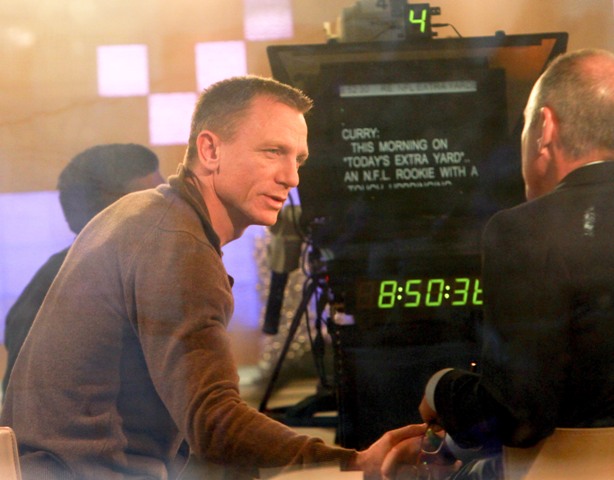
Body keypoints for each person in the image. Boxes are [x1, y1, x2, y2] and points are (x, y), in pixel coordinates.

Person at [0, 76, 423, 480]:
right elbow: (213, 423)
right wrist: (354, 464)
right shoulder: (177, 243)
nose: (291, 177)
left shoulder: (150, 214)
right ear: (210, 150)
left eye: (298, 160)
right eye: (273, 151)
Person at [381, 48, 614, 479]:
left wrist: (440, 388)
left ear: (545, 128)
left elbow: (518, 419)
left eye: (524, 125)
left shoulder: (524, 230)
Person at [2, 143, 164, 395]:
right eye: (156, 202)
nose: (172, 211)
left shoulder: (55, 275)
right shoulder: (97, 285)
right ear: (117, 213)